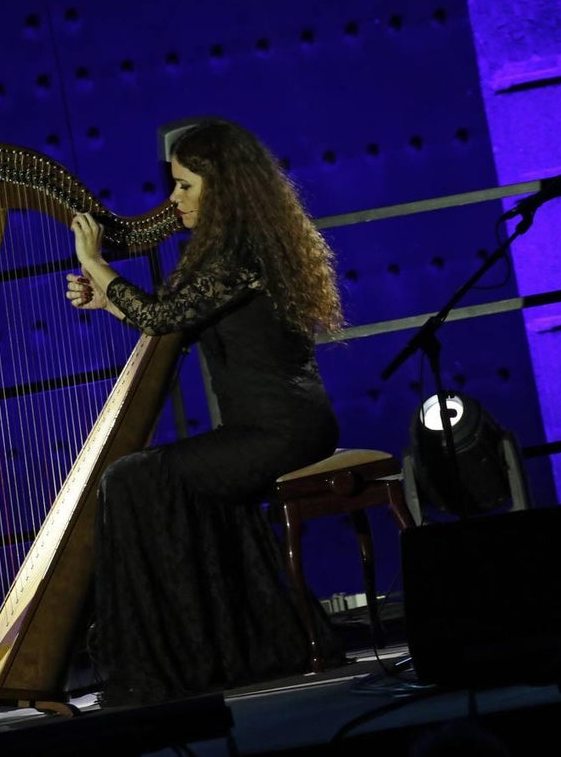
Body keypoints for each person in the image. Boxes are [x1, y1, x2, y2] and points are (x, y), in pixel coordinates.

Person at [64, 116, 347, 707]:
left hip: (280, 432)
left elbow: (163, 320)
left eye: (186, 186)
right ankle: (223, 647)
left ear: (223, 188)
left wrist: (95, 262)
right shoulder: (236, 249)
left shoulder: (239, 253)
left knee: (133, 479)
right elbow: (172, 320)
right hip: (269, 427)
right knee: (155, 480)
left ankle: (169, 659)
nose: (173, 200)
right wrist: (108, 302)